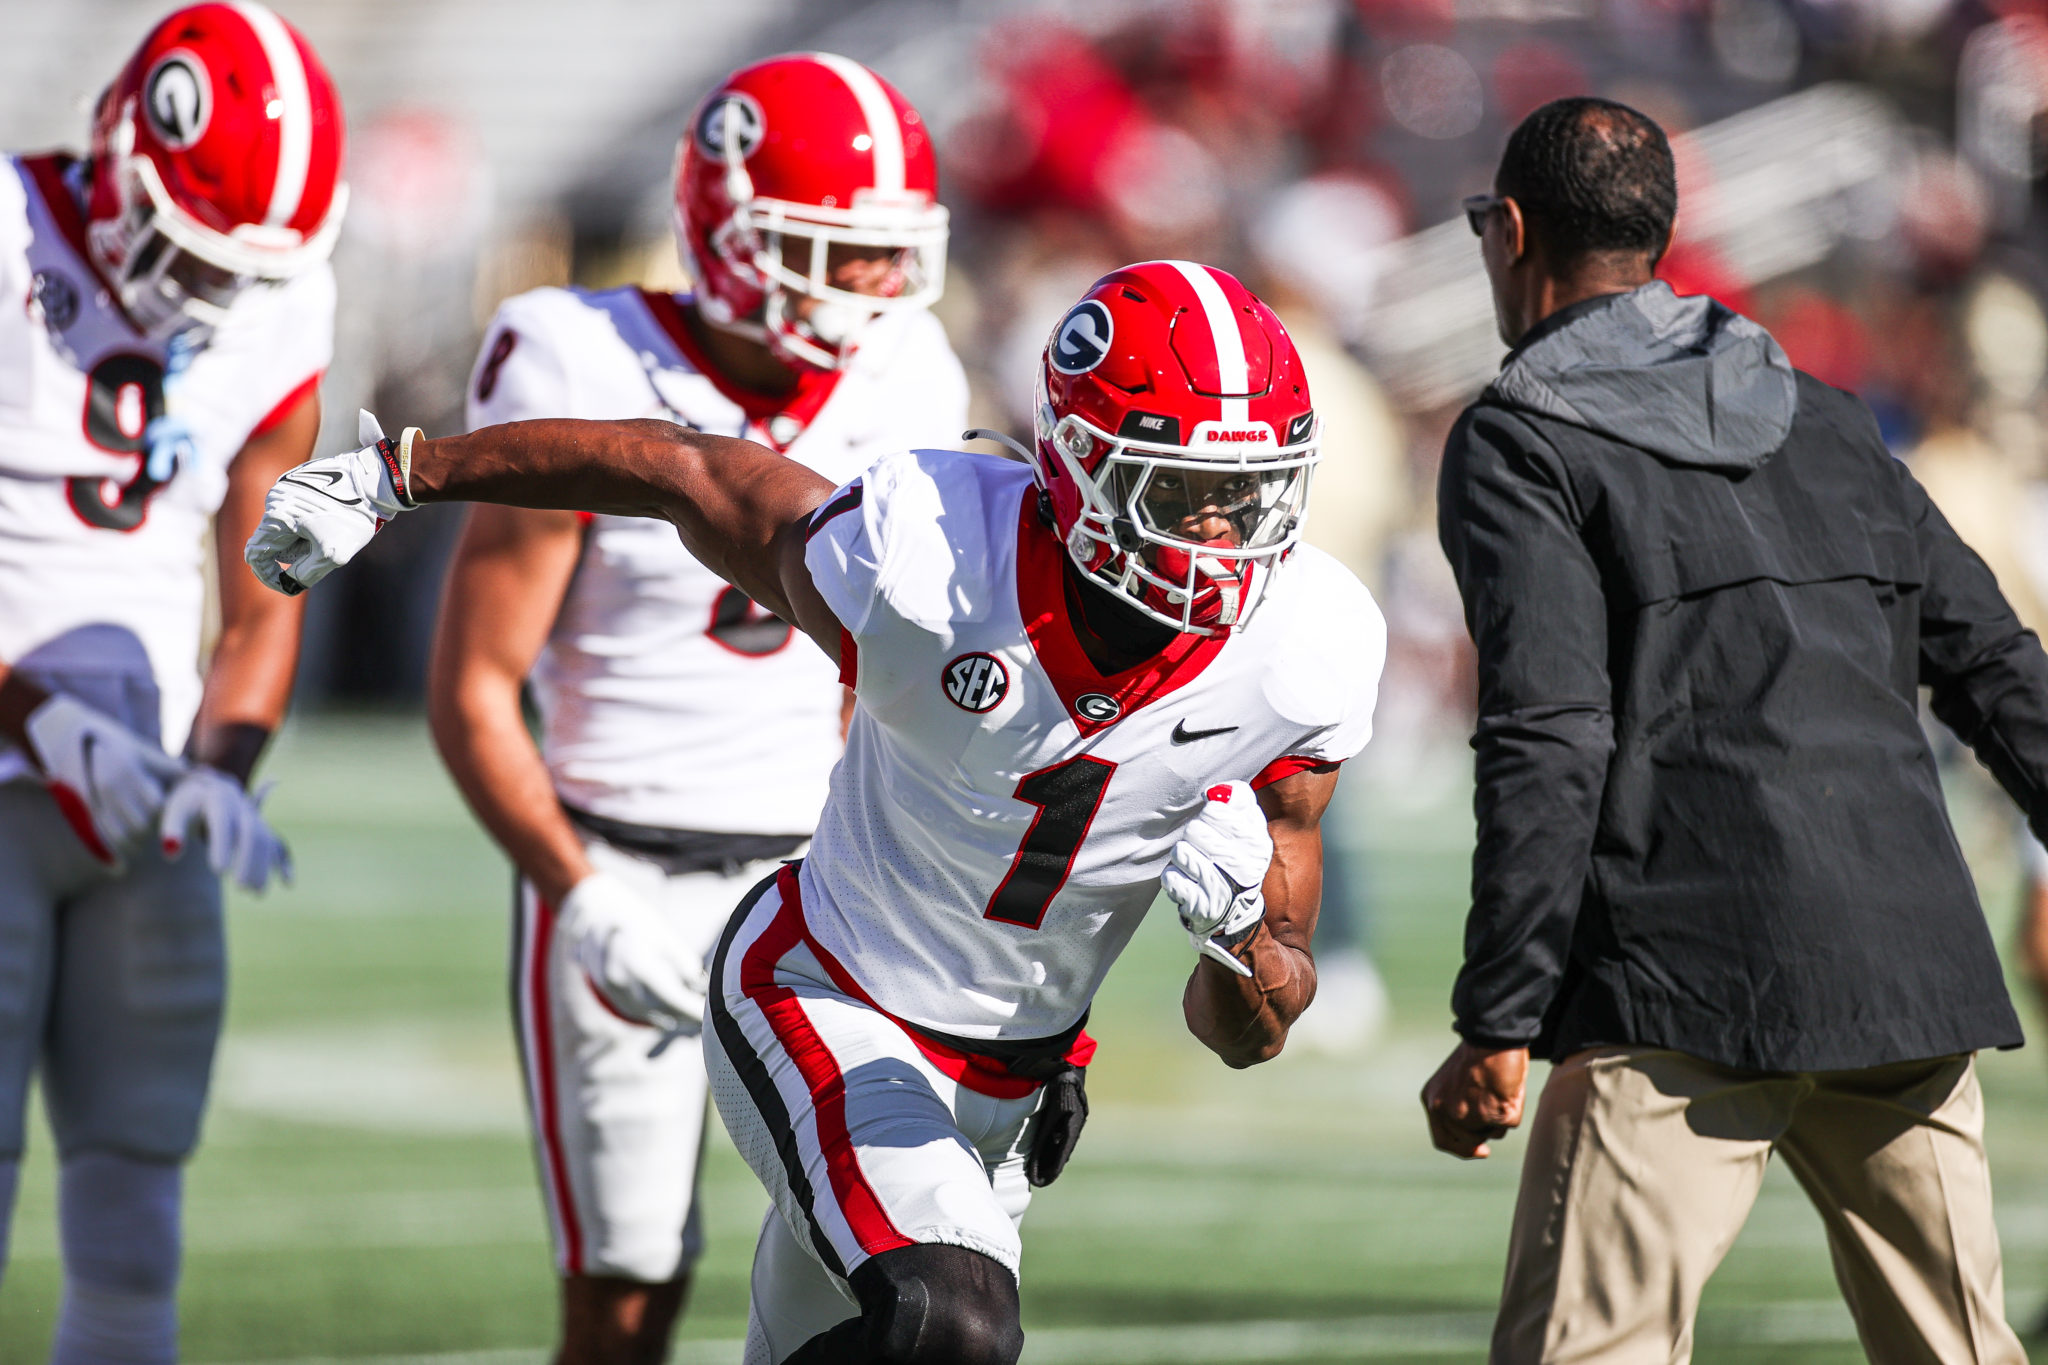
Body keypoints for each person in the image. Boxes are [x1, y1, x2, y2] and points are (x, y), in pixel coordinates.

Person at [246, 258, 1383, 1365]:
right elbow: (682, 470)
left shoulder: (1305, 652)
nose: (1223, 538)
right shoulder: (931, 557)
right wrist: (404, 474)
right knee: (951, 1324)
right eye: (1181, 494)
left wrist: (1239, 939)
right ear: (1079, 466)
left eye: (1251, 493)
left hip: (1018, 1077)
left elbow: (1251, 1030)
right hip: (825, 994)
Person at [1420, 96, 2036, 1363]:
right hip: (1903, 961)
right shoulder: (1820, 411)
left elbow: (1547, 731)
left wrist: (1497, 1014)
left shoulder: (1518, 436)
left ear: (1512, 230)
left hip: (1678, 981)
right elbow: (1989, 659)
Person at [426, 54, 965, 1365]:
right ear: (729, 236)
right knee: (627, 1288)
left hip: (830, 887)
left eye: (890, 258)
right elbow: (474, 688)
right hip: (623, 863)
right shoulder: (574, 349)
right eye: (833, 254)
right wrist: (579, 891)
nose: (873, 292)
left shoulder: (911, 374)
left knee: (875, 1271)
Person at [0, 4, 342, 1359]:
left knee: (139, 1220)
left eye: (241, 270)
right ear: (121, 152)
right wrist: (41, 722)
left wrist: (213, 781)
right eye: (189, 253)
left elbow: (264, 587)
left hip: (138, 807)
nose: (212, 297)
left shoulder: (281, 290)